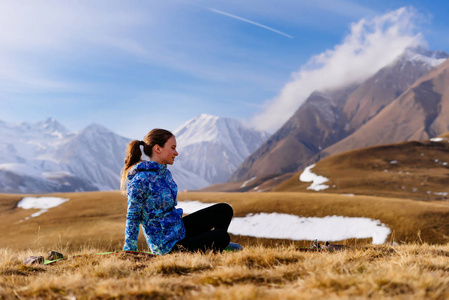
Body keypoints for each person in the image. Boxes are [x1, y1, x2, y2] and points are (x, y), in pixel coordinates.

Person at [121, 128, 239, 255]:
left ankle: (217, 246)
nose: (176, 153)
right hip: (168, 247)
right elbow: (133, 217)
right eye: (172, 148)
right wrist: (129, 250)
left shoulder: (164, 173)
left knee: (224, 210)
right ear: (158, 149)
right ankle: (217, 244)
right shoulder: (140, 180)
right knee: (222, 236)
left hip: (179, 231)